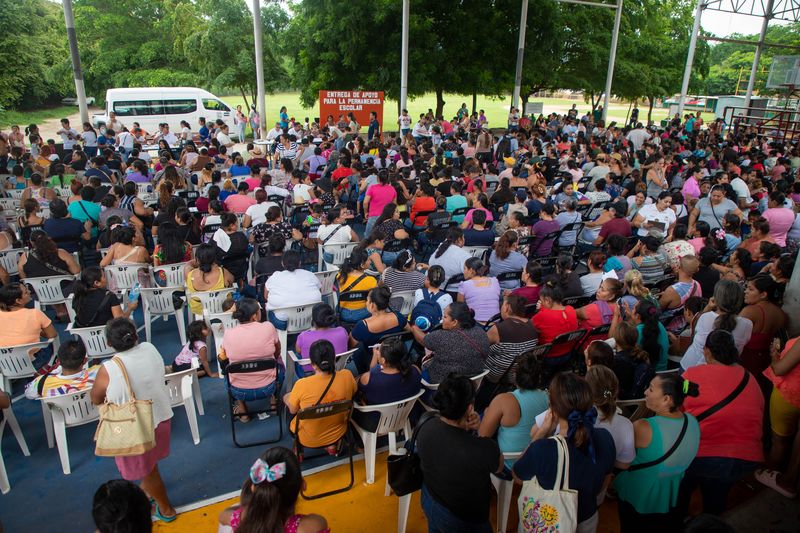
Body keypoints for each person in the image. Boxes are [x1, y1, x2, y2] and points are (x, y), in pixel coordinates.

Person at [90, 318, 176, 522]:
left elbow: (96, 398)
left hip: (135, 428)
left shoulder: (109, 368)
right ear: (136, 335)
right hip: (161, 418)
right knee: (151, 465)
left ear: (109, 344)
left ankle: (166, 510)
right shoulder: (149, 348)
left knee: (150, 471)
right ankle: (147, 493)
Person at [514, 372, 616, 532]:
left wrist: (541, 433)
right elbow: (604, 482)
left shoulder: (543, 448)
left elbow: (518, 476)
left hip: (550, 523)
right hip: (587, 517)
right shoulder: (605, 438)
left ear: (553, 409)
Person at [678, 330, 764, 516]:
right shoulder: (750, 378)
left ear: (707, 351)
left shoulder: (691, 375)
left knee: (680, 491)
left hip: (704, 456)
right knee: (716, 499)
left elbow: (677, 407)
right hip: (745, 458)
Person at [613, 374, 701, 532]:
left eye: (651, 389)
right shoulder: (692, 421)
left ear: (667, 399)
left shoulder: (644, 427)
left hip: (640, 492)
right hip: (670, 492)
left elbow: (619, 454)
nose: (645, 392)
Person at [417, 374, 503, 532]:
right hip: (463, 518)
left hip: (430, 499)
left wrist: (467, 427)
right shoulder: (481, 448)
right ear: (470, 408)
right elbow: (498, 466)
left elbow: (452, 443)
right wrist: (480, 431)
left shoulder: (425, 426)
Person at [218, 446, 329, 533]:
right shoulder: (311, 526)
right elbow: (321, 522)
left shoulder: (237, 517)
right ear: (302, 485)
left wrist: (248, 509)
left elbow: (222, 516)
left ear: (253, 487)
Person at [285, 339, 357, 453]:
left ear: (313, 365)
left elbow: (292, 410)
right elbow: (353, 392)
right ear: (334, 359)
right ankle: (332, 446)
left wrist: (287, 398)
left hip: (308, 439)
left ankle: (298, 450)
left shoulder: (302, 384)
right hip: (338, 432)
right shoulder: (347, 376)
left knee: (289, 404)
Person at [479, 348, 549, 462]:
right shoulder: (547, 397)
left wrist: (487, 414)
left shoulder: (503, 400)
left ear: (515, 376)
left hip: (507, 463)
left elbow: (482, 436)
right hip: (536, 459)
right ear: (539, 378)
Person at [758, 334, 800, 498]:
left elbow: (780, 369)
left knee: (779, 440)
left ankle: (773, 472)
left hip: (791, 394)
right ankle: (791, 476)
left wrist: (775, 354)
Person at [680, 280, 753, 371]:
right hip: (723, 374)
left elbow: (694, 327)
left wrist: (708, 307)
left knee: (685, 386)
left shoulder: (705, 317)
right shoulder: (747, 325)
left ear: (716, 299)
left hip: (690, 369)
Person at [354, 335, 422, 430]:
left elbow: (356, 385)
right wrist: (376, 355)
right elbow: (374, 372)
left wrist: (375, 355)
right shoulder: (416, 370)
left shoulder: (368, 378)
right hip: (406, 415)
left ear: (383, 361)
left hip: (377, 422)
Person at [410, 302, 489, 384]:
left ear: (454, 322)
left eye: (445, 317)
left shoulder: (441, 336)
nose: (442, 319)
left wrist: (414, 326)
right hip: (473, 380)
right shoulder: (481, 332)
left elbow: (423, 340)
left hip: (443, 383)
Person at [586, 364, 636, 474]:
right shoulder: (626, 424)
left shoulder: (574, 417)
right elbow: (625, 464)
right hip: (602, 482)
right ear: (616, 390)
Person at [348, 287, 407, 373]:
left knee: (358, 350)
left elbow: (349, 345)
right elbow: (409, 331)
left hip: (372, 357)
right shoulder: (398, 317)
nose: (366, 302)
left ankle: (363, 373)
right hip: (394, 353)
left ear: (372, 305)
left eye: (367, 300)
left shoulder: (362, 326)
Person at [484, 294, 539, 384]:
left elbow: (481, 346)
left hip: (497, 375)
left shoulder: (499, 329)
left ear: (507, 307)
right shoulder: (532, 324)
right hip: (520, 373)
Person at [25, 338, 100, 399]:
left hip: (63, 417)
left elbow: (29, 394)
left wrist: (55, 371)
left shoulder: (41, 382)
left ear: (58, 361)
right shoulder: (99, 372)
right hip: (95, 415)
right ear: (85, 360)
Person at [265, 250, 322, 330]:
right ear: (299, 263)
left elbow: (266, 296)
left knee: (269, 309)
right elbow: (320, 292)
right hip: (310, 319)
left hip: (283, 322)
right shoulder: (310, 275)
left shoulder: (274, 277)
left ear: (282, 263)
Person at [72, 266, 137, 327]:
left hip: (86, 336)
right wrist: (130, 308)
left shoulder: (77, 297)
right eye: (104, 277)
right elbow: (120, 321)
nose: (106, 279)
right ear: (96, 283)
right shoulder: (109, 296)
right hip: (108, 335)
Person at [185, 243, 235, 317]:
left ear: (197, 259)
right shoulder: (223, 272)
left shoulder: (190, 274)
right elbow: (232, 280)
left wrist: (195, 262)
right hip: (222, 307)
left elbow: (188, 265)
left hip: (200, 311)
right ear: (214, 259)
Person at [532, 281, 579, 354]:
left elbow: (529, 327)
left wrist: (540, 310)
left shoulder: (542, 315)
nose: (541, 303)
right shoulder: (571, 309)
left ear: (547, 300)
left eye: (541, 301)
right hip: (569, 352)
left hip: (550, 355)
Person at [612, 321, 655, 400]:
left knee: (601, 391)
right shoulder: (640, 355)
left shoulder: (617, 361)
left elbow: (610, 389)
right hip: (639, 402)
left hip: (622, 402)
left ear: (616, 339)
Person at [336, 248, 378, 323]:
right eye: (368, 260)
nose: (370, 261)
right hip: (362, 314)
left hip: (343, 313)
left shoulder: (340, 276)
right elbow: (374, 299)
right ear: (362, 264)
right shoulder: (371, 281)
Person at [458, 257, 500, 323]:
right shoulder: (494, 281)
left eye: (465, 268)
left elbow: (460, 307)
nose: (464, 271)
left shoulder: (464, 285)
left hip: (475, 323)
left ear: (471, 270)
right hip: (495, 321)